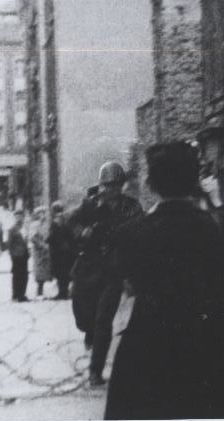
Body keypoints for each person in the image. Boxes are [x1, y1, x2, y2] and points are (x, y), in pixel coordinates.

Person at [104, 142, 224, 420]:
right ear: (195, 181)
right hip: (215, 349)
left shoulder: (131, 233)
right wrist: (215, 205)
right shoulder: (222, 226)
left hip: (149, 353)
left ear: (150, 182)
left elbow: (122, 279)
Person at [68, 161, 142, 386]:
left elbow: (140, 230)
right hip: (88, 268)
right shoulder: (90, 205)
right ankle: (89, 332)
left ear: (122, 186)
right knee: (84, 314)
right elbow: (71, 223)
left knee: (103, 321)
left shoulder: (131, 207)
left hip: (113, 270)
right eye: (107, 185)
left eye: (115, 185)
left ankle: (95, 371)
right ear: (101, 185)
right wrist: (84, 232)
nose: (111, 190)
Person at [47, 201, 73, 300]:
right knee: (65, 272)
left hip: (57, 252)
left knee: (59, 272)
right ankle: (64, 292)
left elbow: (51, 237)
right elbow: (70, 235)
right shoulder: (65, 220)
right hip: (66, 251)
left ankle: (62, 293)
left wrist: (48, 239)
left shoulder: (55, 223)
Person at [8, 210, 30, 302]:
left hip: (24, 254)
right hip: (16, 255)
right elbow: (9, 244)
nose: (19, 218)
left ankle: (23, 294)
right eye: (17, 216)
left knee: (24, 275)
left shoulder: (25, 227)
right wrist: (12, 254)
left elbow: (26, 240)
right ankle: (16, 294)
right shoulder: (12, 229)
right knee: (17, 275)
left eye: (21, 216)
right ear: (15, 217)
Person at [30, 206, 52, 297]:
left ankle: (41, 290)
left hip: (46, 250)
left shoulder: (47, 225)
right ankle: (39, 291)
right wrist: (42, 245)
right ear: (37, 215)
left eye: (44, 213)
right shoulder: (34, 225)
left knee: (44, 271)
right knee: (39, 270)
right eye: (40, 213)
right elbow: (33, 238)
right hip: (38, 250)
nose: (42, 215)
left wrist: (47, 244)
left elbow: (49, 235)